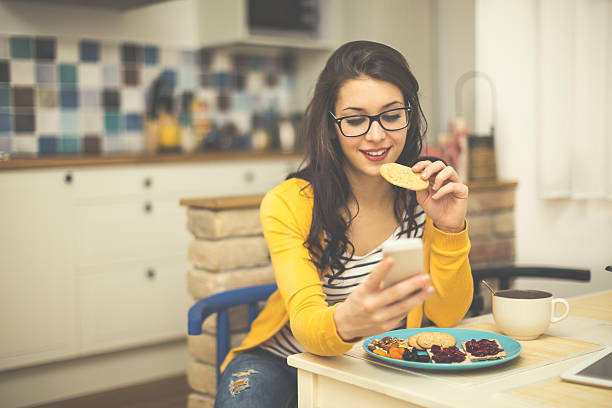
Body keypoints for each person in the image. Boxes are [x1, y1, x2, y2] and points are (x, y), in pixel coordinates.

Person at [214, 40, 473, 408]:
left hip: (375, 361)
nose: (376, 135)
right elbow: (306, 324)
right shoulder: (289, 203)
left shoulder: (428, 196)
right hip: (281, 359)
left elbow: (446, 314)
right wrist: (349, 320)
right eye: (354, 120)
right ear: (331, 126)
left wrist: (449, 229)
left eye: (392, 115)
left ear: (409, 115)